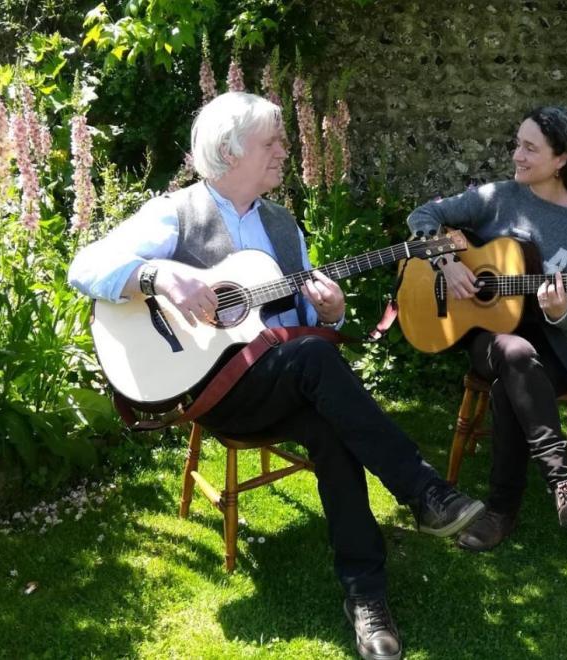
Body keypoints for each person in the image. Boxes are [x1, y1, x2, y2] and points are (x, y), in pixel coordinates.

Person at [68, 92, 485, 660]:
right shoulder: (176, 213)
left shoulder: (284, 227)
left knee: (331, 424)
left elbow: (302, 321)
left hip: (285, 382)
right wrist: (158, 277)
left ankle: (366, 595)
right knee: (312, 361)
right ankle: (423, 490)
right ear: (230, 151)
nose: (285, 151)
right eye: (273, 141)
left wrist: (331, 313)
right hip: (218, 392)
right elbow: (84, 266)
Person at [406, 106, 567, 552]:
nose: (517, 155)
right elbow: (422, 216)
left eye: (530, 148)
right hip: (490, 336)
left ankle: (501, 512)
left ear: (562, 159)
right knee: (513, 352)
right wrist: (447, 261)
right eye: (517, 144)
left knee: (510, 381)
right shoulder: (499, 196)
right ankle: (563, 482)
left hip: (556, 345)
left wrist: (561, 310)